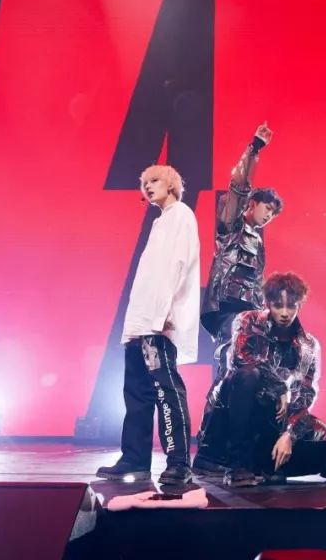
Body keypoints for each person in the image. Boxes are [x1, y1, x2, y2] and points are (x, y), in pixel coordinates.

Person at [96, 164, 200, 487]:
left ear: (171, 183)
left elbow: (178, 265)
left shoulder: (181, 215)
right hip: (141, 322)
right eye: (144, 183)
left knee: (167, 390)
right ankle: (135, 459)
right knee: (136, 392)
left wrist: (164, 312)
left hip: (159, 322)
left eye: (154, 180)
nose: (148, 187)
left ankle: (178, 462)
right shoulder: (160, 222)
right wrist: (134, 326)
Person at [195, 122, 281, 474]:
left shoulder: (258, 239)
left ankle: (220, 452)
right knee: (229, 377)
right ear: (253, 204)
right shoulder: (232, 226)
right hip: (228, 311)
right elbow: (237, 187)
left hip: (248, 317)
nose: (269, 215)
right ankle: (213, 452)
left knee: (240, 379)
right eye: (267, 208)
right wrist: (254, 149)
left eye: (273, 213)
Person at [208, 272, 326, 487]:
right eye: (278, 305)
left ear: (299, 305)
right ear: (268, 303)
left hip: (274, 422)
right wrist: (279, 387)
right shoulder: (249, 321)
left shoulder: (308, 345)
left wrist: (289, 434)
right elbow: (240, 358)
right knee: (249, 375)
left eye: (291, 306)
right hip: (237, 414)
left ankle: (266, 464)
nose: (285, 313)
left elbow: (305, 395)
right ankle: (237, 464)